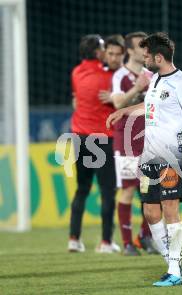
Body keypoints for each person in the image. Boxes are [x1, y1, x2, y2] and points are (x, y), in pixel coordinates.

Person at [107, 32, 182, 287]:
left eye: (146, 56)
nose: (144, 60)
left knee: (169, 208)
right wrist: (124, 111)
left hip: (173, 158)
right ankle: (172, 261)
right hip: (149, 157)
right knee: (150, 212)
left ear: (158, 57)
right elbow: (150, 106)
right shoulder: (154, 79)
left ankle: (174, 270)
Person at [68, 34, 122, 253]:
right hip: (102, 139)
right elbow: (118, 100)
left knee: (82, 189)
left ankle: (73, 238)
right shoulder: (109, 76)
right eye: (103, 49)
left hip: (79, 137)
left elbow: (75, 100)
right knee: (107, 192)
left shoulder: (76, 73)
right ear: (98, 52)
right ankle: (106, 242)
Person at [110, 32, 158, 256]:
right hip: (127, 141)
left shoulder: (153, 74)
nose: (145, 49)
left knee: (151, 191)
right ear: (129, 50)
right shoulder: (120, 75)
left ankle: (145, 237)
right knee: (129, 189)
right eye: (141, 46)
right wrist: (138, 88)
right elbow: (118, 102)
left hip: (151, 140)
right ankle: (128, 242)